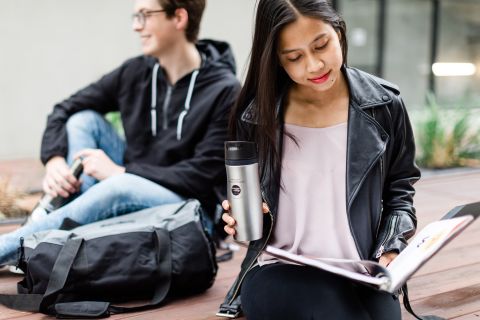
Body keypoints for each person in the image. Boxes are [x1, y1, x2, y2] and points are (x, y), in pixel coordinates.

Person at [217, 0, 420, 319]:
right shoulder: (256, 116)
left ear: (338, 31)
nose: (314, 65)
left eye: (320, 45)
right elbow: (241, 200)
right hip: (280, 268)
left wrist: (391, 247)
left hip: (360, 272)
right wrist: (239, 217)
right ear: (277, 61)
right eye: (295, 57)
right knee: (331, 309)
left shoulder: (385, 105)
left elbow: (400, 194)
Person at [0, 0, 240, 266]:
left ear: (179, 18)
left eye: (145, 15)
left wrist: (121, 173)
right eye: (135, 17)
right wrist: (54, 160)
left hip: (189, 208)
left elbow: (202, 175)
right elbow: (64, 109)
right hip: (126, 182)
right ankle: (66, 218)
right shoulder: (136, 72)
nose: (137, 26)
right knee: (82, 121)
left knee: (119, 187)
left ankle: (15, 245)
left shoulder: (225, 90)